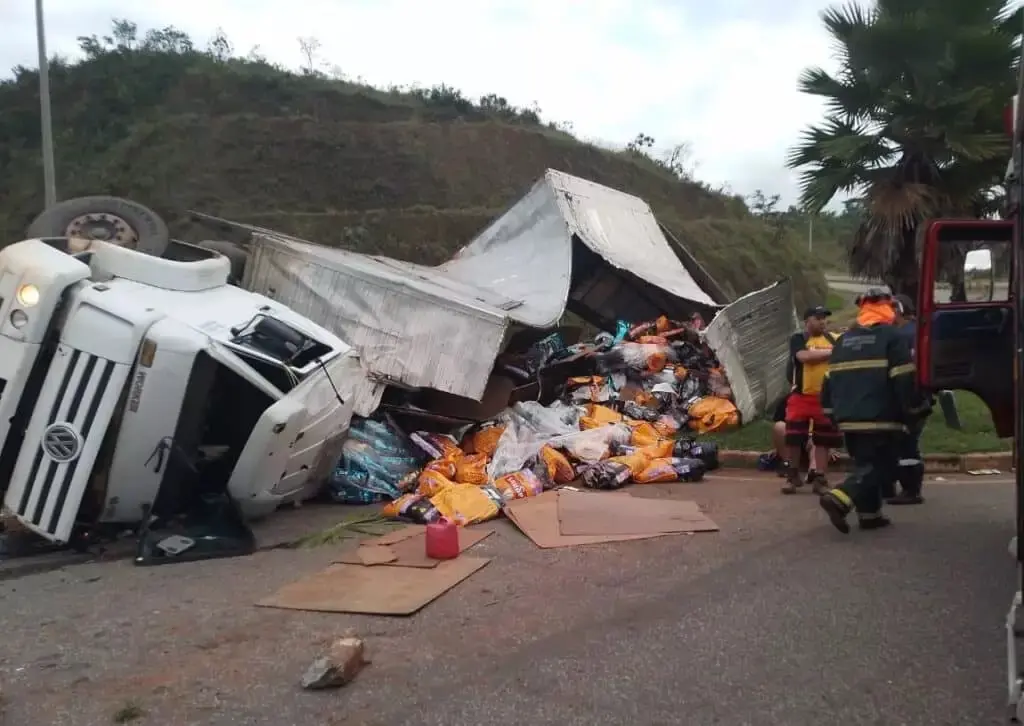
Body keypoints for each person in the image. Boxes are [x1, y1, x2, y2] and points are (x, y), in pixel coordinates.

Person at [818, 289, 933, 533]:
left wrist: (831, 415)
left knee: (865, 464)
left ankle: (870, 515)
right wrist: (913, 409)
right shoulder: (892, 337)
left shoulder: (842, 341)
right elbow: (903, 379)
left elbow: (828, 382)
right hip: (881, 417)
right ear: (889, 309)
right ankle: (840, 497)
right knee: (885, 466)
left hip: (848, 419)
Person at [782, 306, 843, 494]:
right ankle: (792, 477)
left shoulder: (834, 339)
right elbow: (804, 357)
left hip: (825, 398)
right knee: (794, 437)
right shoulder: (799, 339)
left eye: (824, 318)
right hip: (801, 396)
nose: (822, 321)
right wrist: (833, 352)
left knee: (823, 439)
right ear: (807, 321)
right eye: (818, 318)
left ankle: (820, 478)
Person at [888, 293, 925, 505]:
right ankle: (910, 487)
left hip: (907, 397)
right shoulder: (916, 331)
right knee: (908, 442)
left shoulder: (901, 336)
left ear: (897, 311)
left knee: (906, 443)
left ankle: (911, 490)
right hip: (919, 396)